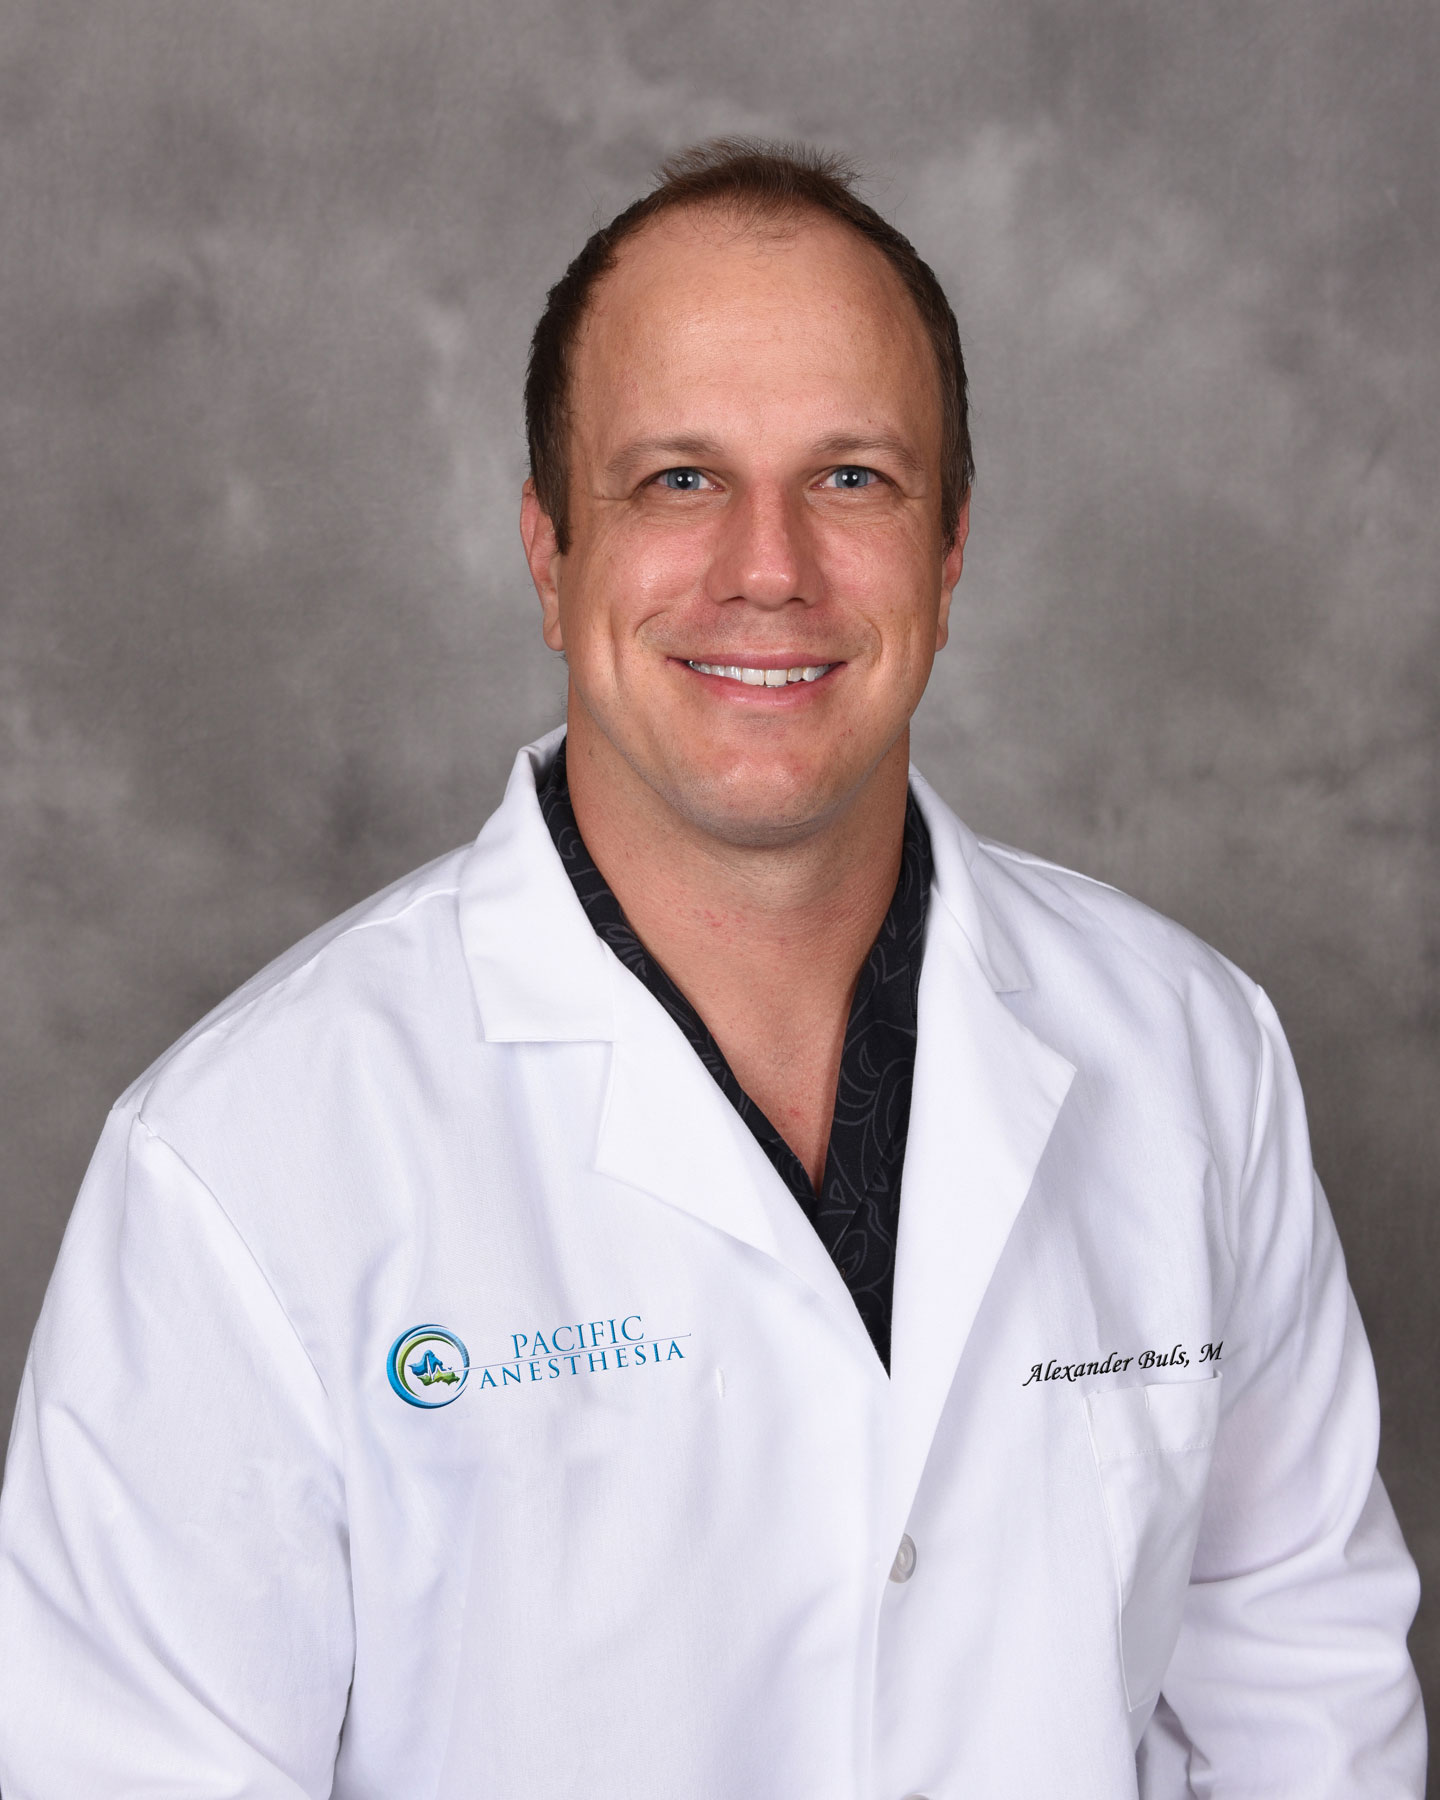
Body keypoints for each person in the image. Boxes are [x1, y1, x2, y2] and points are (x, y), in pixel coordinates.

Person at [0, 140, 1423, 1799]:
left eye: (853, 479)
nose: (769, 566)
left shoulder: (1192, 1055)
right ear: (549, 555)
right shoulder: (243, 1167)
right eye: (678, 478)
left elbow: (1298, 1699)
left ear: (950, 554)